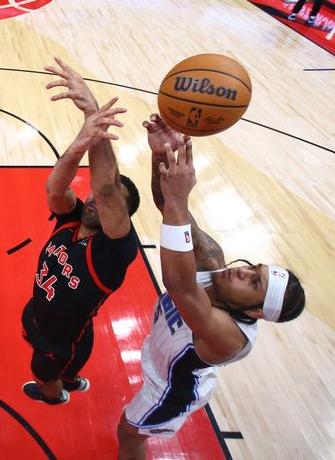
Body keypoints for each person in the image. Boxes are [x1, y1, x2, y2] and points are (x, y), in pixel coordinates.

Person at [116, 115, 306, 459]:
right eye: (254, 268)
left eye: (254, 282)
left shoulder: (230, 337)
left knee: (128, 433)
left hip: (172, 386)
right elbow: (167, 206)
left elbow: (178, 285)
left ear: (254, 311)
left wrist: (178, 200)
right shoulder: (212, 260)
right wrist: (160, 156)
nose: (243, 271)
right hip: (163, 353)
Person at [21, 58, 141, 405]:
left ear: (120, 216)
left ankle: (56, 395)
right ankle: (72, 379)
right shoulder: (72, 219)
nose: (92, 201)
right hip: (40, 312)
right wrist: (78, 145)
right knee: (71, 364)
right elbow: (54, 191)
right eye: (90, 197)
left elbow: (106, 189)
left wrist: (92, 114)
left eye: (105, 204)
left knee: (45, 376)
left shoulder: (113, 252)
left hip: (61, 341)